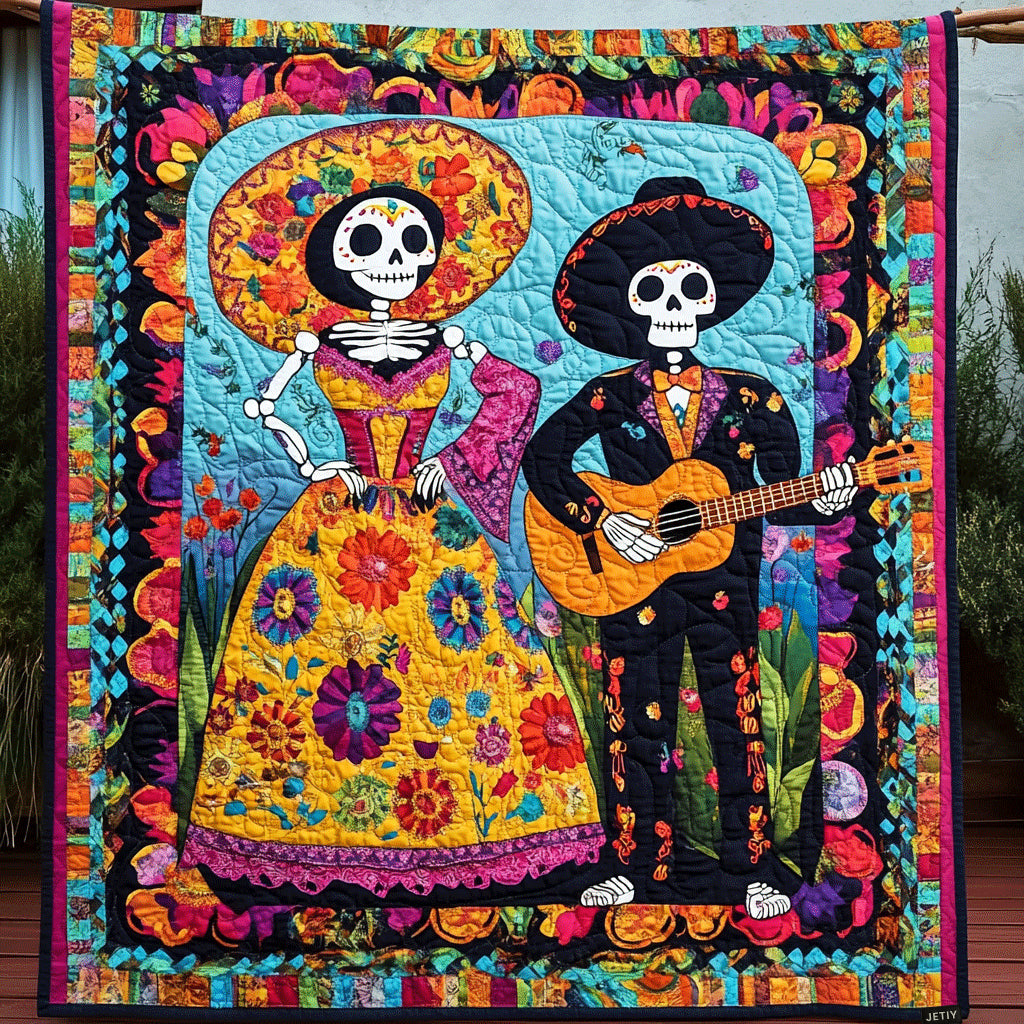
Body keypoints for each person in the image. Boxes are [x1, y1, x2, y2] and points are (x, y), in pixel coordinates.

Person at [181, 184, 604, 903]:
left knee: (469, 663)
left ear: (434, 258)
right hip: (338, 514)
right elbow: (265, 406)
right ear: (338, 258)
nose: (394, 260)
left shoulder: (445, 340)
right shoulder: (319, 344)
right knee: (311, 664)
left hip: (426, 508)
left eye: (413, 244)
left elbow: (518, 393)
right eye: (370, 243)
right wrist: (319, 466)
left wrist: (455, 460)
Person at [523, 177, 855, 918]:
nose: (674, 306)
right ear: (630, 305)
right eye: (655, 290)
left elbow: (782, 491)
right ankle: (634, 865)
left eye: (690, 289)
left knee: (735, 719)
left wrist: (824, 498)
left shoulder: (754, 398)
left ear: (711, 301)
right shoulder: (609, 394)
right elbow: (543, 461)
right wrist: (599, 520)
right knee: (634, 719)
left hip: (722, 582)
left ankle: (752, 867)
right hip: (629, 578)